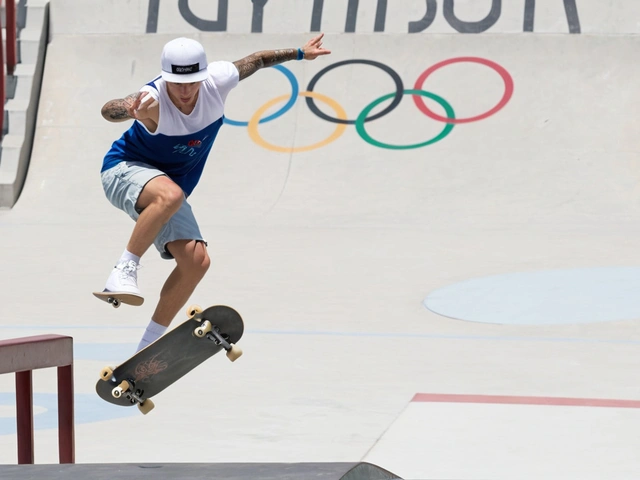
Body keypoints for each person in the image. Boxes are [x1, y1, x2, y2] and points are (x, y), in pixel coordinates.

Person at [97, 34, 331, 352]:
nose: (183, 92)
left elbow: (258, 60)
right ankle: (123, 271)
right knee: (170, 195)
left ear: (203, 75)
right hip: (123, 170)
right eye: (176, 84)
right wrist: (129, 107)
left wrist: (300, 53)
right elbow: (109, 109)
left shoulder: (218, 79)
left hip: (168, 187)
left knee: (197, 262)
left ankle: (146, 347)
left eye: (191, 82)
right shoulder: (152, 98)